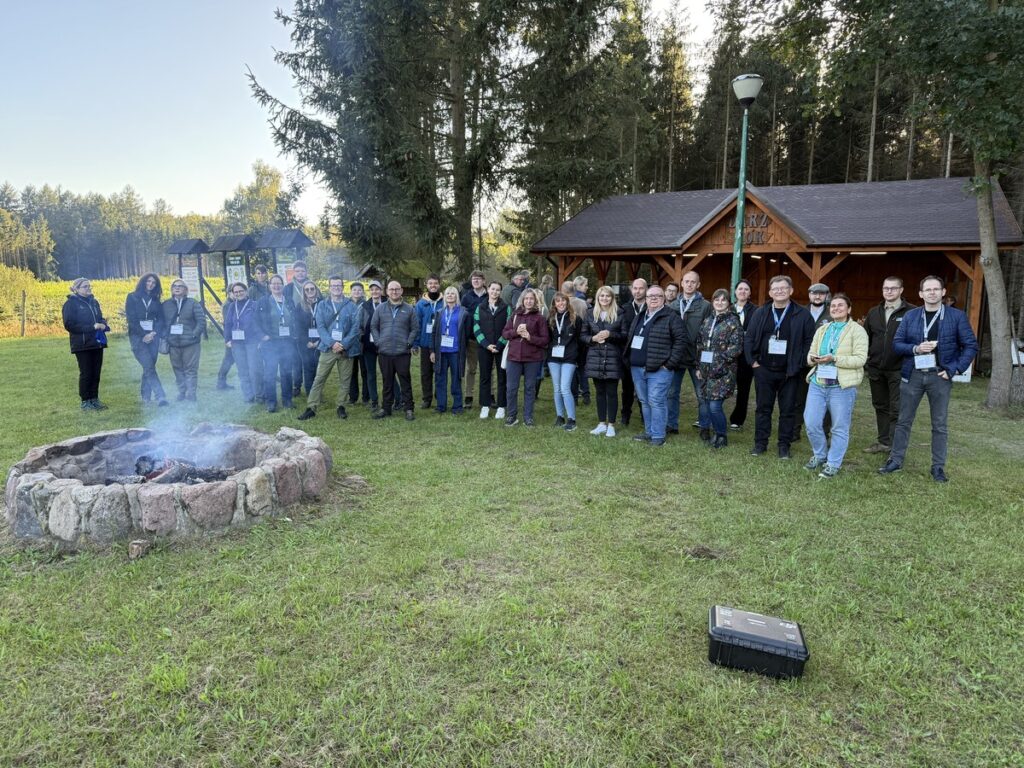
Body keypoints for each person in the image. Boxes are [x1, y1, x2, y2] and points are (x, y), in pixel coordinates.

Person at [879, 275, 978, 483]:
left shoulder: (956, 317)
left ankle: (938, 467)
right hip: (912, 374)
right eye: (927, 290)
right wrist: (916, 348)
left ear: (943, 293)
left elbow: (970, 346)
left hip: (939, 376)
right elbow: (897, 344)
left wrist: (954, 369)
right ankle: (895, 460)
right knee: (903, 421)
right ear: (920, 294)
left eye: (936, 289)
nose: (932, 293)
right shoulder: (911, 316)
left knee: (939, 424)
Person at [744, 275, 815, 459]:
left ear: (791, 290)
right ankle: (760, 444)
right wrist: (753, 362)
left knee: (788, 410)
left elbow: (810, 341)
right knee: (762, 409)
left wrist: (799, 363)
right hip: (764, 369)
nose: (779, 291)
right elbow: (749, 338)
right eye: (775, 289)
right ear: (770, 293)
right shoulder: (761, 312)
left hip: (789, 372)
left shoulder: (802, 314)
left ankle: (784, 445)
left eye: (783, 288)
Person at [802, 293, 869, 478]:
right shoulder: (822, 329)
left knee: (839, 427)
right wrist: (813, 359)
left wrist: (834, 359)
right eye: (833, 306)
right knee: (811, 423)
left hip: (842, 387)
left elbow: (860, 359)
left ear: (849, 309)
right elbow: (810, 355)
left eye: (840, 306)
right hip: (818, 383)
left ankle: (833, 463)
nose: (836, 309)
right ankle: (820, 454)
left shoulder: (857, 330)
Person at [625, 285, 686, 446]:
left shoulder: (672, 317)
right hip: (637, 368)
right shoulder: (640, 316)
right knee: (644, 401)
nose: (653, 298)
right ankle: (649, 432)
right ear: (645, 299)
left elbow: (680, 342)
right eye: (650, 296)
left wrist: (669, 364)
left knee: (656, 401)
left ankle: (658, 436)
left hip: (659, 369)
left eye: (657, 296)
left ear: (664, 299)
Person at [298, 276, 361, 421]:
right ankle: (311, 407)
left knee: (345, 380)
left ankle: (341, 406)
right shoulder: (322, 305)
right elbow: (320, 327)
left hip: (346, 349)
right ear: (329, 287)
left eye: (339, 285)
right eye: (333, 285)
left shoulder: (351, 306)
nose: (336, 288)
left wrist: (343, 344)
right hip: (328, 348)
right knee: (319, 378)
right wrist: (333, 343)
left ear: (343, 286)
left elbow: (355, 328)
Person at [863, 277, 914, 454]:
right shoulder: (874, 312)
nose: (889, 291)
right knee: (880, 405)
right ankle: (883, 442)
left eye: (893, 288)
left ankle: (895, 445)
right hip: (876, 368)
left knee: (897, 407)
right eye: (886, 288)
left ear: (901, 290)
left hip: (899, 369)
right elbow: (866, 339)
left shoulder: (912, 312)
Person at [695, 289, 744, 449]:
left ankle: (721, 435)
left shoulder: (733, 322)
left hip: (724, 371)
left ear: (728, 303)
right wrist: (699, 366)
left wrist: (719, 361)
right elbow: (701, 344)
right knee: (708, 403)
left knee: (715, 406)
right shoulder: (708, 320)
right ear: (713, 301)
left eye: (723, 300)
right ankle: (716, 433)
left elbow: (736, 348)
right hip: (706, 370)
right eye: (717, 299)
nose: (720, 302)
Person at [667, 270, 711, 435]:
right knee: (672, 393)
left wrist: (705, 358)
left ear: (698, 285)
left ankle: (705, 426)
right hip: (676, 356)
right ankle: (671, 425)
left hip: (696, 357)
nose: (690, 284)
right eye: (687, 281)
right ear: (682, 283)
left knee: (702, 394)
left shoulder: (706, 306)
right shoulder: (672, 306)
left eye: (693, 282)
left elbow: (709, 332)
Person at [501, 288, 549, 426]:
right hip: (513, 357)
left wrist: (530, 337)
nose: (528, 301)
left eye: (531, 299)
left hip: (533, 358)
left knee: (529, 388)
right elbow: (505, 333)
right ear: (522, 300)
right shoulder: (515, 315)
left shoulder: (540, 318)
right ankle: (511, 416)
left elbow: (545, 340)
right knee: (511, 388)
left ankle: (528, 417)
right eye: (526, 298)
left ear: (535, 301)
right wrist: (516, 332)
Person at [371, 281, 419, 420]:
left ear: (401, 291)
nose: (394, 292)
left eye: (397, 289)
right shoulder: (380, 308)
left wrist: (409, 342)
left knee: (405, 381)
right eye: (391, 289)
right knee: (387, 381)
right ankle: (386, 408)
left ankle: (409, 409)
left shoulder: (409, 309)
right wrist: (378, 341)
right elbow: (374, 326)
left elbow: (415, 328)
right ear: (387, 292)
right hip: (384, 351)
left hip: (402, 352)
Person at [582, 285, 625, 437]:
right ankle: (601, 423)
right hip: (595, 357)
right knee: (599, 392)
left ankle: (611, 425)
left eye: (607, 296)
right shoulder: (589, 313)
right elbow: (583, 335)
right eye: (602, 296)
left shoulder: (620, 313)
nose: (604, 299)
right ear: (597, 298)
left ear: (612, 298)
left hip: (613, 358)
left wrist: (610, 334)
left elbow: (624, 336)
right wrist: (592, 338)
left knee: (612, 392)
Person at [792, 282, 832, 441]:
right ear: (809, 295)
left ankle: (823, 432)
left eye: (821, 293)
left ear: (826, 295)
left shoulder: (832, 313)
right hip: (803, 362)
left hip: (825, 364)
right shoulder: (800, 312)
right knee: (797, 398)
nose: (818, 296)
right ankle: (795, 430)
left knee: (825, 400)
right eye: (815, 293)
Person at [63, 277, 110, 410]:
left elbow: (100, 317)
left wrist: (103, 324)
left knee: (96, 372)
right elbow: (69, 325)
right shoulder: (70, 304)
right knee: (86, 373)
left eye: (89, 286)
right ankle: (85, 401)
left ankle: (94, 399)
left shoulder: (94, 302)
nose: (88, 288)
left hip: (97, 342)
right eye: (85, 286)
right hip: (82, 345)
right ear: (76, 289)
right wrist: (92, 327)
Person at [124, 273, 167, 406]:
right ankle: (160, 396)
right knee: (148, 366)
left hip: (153, 337)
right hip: (137, 338)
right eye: (148, 281)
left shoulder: (156, 300)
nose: (150, 284)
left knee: (149, 367)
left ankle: (145, 397)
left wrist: (153, 333)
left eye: (153, 283)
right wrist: (144, 335)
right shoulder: (132, 297)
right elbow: (132, 320)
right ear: (143, 282)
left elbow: (160, 320)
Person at [258, 274, 298, 412]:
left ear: (283, 285)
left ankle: (287, 400)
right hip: (271, 344)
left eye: (279, 283)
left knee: (287, 373)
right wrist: (262, 336)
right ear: (269, 286)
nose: (276, 286)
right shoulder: (263, 302)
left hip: (287, 343)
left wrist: (294, 335)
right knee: (270, 373)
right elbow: (255, 321)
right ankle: (271, 402)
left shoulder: (289, 301)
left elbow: (295, 320)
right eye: (273, 283)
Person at [161, 279, 205, 402]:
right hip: (174, 344)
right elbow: (162, 323)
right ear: (171, 289)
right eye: (174, 286)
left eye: (180, 286)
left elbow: (201, 322)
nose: (177, 288)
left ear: (185, 290)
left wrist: (193, 335)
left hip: (190, 343)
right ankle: (182, 392)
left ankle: (191, 394)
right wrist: (166, 336)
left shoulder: (193, 303)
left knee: (190, 369)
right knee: (177, 369)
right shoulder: (166, 305)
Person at [473, 280, 510, 420]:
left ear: (500, 292)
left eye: (498, 290)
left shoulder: (506, 308)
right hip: (484, 348)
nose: (495, 292)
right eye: (492, 289)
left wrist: (500, 344)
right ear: (488, 289)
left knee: (502, 377)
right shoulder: (480, 307)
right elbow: (476, 327)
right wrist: (485, 344)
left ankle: (501, 406)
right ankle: (485, 405)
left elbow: (508, 327)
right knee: (484, 377)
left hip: (501, 347)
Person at [547, 292, 583, 430]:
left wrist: (578, 358)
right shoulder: (550, 318)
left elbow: (580, 339)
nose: (561, 303)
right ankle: (560, 416)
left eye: (563, 301)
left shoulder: (575, 318)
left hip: (569, 357)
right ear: (554, 304)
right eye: (558, 301)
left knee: (565, 388)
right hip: (553, 357)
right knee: (556, 389)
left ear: (567, 303)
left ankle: (571, 419)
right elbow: (549, 338)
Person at [430, 286, 469, 414]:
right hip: (441, 351)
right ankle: (441, 406)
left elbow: (467, 333)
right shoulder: (440, 312)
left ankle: (457, 406)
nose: (450, 295)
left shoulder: (463, 312)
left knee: (456, 379)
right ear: (444, 296)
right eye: (448, 293)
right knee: (440, 379)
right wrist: (432, 351)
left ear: (457, 296)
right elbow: (434, 332)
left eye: (453, 293)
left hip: (456, 351)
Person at [222, 282, 262, 403]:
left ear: (246, 291)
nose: (239, 293)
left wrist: (260, 339)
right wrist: (227, 340)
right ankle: (248, 395)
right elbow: (228, 324)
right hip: (237, 343)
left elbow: (259, 323)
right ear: (233, 294)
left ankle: (259, 395)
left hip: (252, 342)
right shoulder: (231, 307)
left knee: (255, 369)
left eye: (241, 291)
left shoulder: (254, 305)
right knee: (242, 370)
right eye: (236, 292)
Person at [619, 278, 647, 427]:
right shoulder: (624, 308)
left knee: (644, 389)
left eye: (641, 288)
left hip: (645, 355)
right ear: (631, 290)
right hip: (628, 355)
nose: (637, 291)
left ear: (646, 290)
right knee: (627, 388)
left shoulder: (651, 307)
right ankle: (625, 415)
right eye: (635, 288)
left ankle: (645, 415)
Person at [284, 261, 312, 397]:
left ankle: (311, 387)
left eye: (303, 271)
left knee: (309, 360)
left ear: (306, 272)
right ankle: (297, 385)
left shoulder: (311, 287)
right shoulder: (288, 288)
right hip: (295, 328)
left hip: (311, 328)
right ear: (293, 273)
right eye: (298, 271)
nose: (300, 273)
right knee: (296, 359)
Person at [415, 274, 443, 410]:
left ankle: (439, 397)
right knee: (426, 373)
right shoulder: (421, 304)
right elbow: (417, 325)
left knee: (439, 371)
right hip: (425, 343)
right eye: (430, 283)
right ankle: (427, 398)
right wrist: (416, 343)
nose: (433, 285)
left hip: (441, 343)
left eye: (435, 283)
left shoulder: (444, 302)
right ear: (426, 285)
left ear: (439, 284)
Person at [728, 279, 754, 430]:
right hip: (728, 354)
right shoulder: (728, 308)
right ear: (735, 292)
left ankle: (737, 419)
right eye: (740, 289)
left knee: (743, 389)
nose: (742, 291)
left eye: (746, 289)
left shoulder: (756, 311)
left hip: (745, 355)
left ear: (749, 293)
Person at [460, 270, 488, 407]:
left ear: (483, 281)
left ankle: (490, 395)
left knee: (488, 369)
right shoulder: (466, 297)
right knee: (471, 369)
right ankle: (468, 396)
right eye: (473, 279)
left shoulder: (489, 296)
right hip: (471, 339)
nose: (476, 281)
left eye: (478, 279)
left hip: (487, 340)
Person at [359, 279, 385, 411]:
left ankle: (395, 398)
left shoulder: (387, 303)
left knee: (388, 373)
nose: (375, 291)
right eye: (372, 289)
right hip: (368, 346)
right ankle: (374, 400)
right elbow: (359, 325)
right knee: (371, 374)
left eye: (377, 289)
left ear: (381, 290)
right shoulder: (365, 306)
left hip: (385, 345)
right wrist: (361, 337)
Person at [294, 281, 323, 396]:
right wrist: (307, 341)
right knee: (307, 367)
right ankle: (310, 394)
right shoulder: (300, 306)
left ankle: (318, 393)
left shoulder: (322, 304)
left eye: (312, 289)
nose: (310, 291)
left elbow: (327, 324)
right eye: (307, 289)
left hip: (320, 342)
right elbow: (298, 326)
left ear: (316, 290)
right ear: (304, 292)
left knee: (319, 369)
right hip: (304, 343)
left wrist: (318, 341)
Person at [346, 282, 366, 405]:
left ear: (363, 292)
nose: (357, 292)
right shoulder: (346, 305)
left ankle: (365, 397)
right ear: (351, 291)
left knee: (365, 371)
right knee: (351, 372)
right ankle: (352, 397)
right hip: (350, 343)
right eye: (354, 290)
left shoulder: (366, 305)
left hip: (362, 342)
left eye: (359, 290)